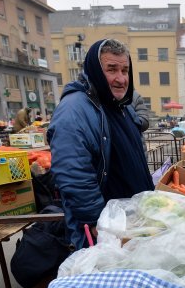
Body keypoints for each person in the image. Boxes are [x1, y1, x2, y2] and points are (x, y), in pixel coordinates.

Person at [47, 38, 152, 249]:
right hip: (106, 231)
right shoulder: (74, 110)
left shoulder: (123, 106)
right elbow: (73, 173)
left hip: (132, 224)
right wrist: (97, 222)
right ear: (95, 70)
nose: (121, 78)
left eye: (125, 70)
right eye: (112, 69)